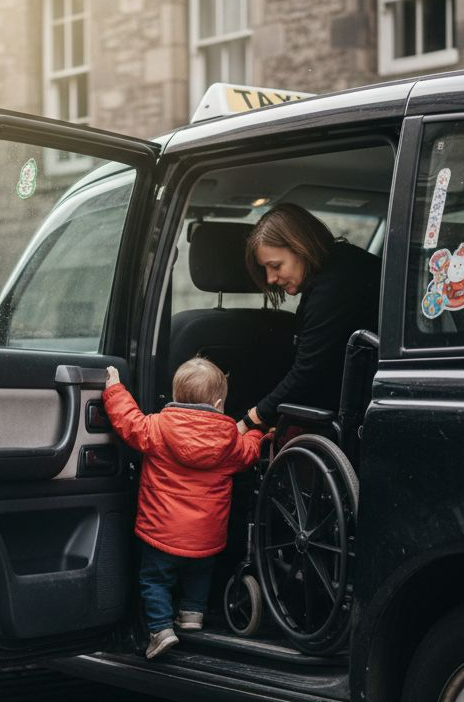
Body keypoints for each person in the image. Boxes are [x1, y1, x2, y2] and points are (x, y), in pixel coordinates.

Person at [103, 357, 264, 659]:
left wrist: (114, 389)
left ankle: (160, 630)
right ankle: (192, 614)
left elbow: (128, 421)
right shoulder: (229, 440)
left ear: (175, 397)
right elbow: (250, 454)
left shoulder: (159, 428)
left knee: (154, 580)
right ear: (218, 403)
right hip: (206, 537)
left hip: (160, 534)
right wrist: (257, 430)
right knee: (199, 574)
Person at [237, 203, 381, 433]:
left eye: (275, 266)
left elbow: (308, 370)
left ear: (300, 247)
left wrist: (251, 420)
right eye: (265, 269)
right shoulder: (344, 265)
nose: (270, 278)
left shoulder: (334, 287)